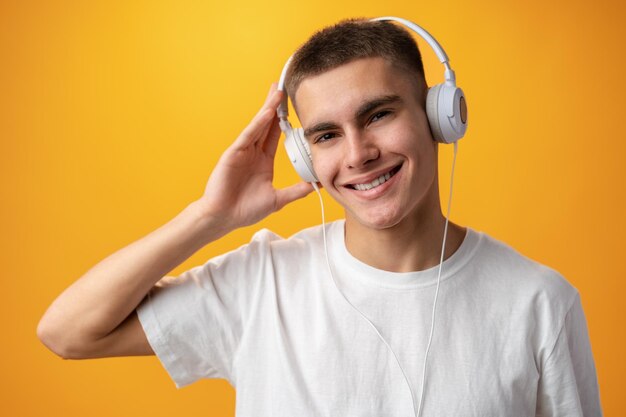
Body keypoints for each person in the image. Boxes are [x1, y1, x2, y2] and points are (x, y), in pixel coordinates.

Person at [37, 18, 602, 416]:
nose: (357, 154)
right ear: (305, 156)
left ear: (439, 115)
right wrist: (208, 216)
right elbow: (67, 332)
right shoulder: (262, 284)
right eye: (326, 135)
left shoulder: (539, 302)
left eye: (378, 114)